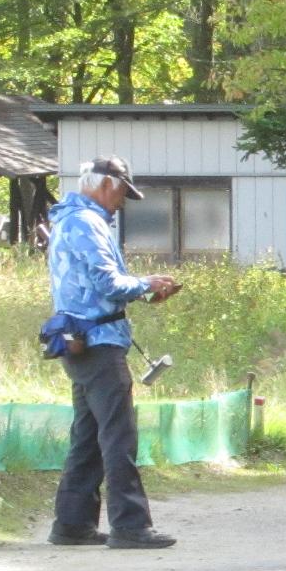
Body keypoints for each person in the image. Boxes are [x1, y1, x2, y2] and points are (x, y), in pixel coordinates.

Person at [44, 157, 182, 549]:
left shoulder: (69, 219)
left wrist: (140, 290)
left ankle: (72, 525)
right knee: (118, 436)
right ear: (106, 184)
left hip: (81, 340)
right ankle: (130, 526)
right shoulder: (87, 223)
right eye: (122, 192)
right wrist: (146, 283)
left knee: (88, 437)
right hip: (99, 343)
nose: (122, 202)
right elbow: (107, 282)